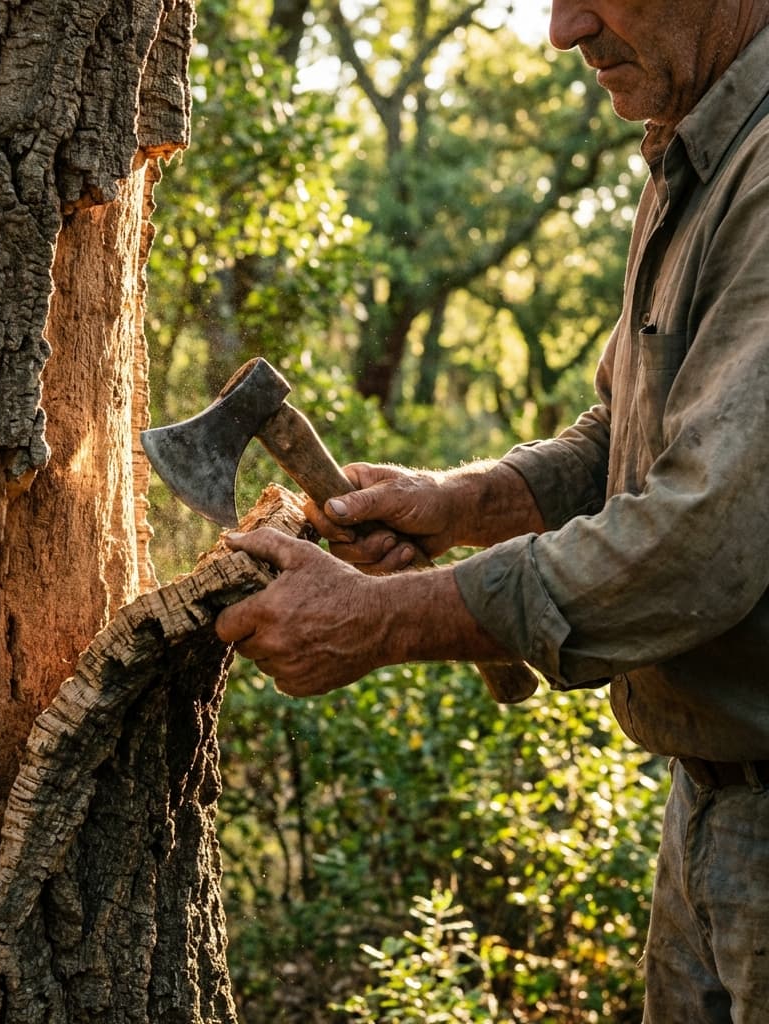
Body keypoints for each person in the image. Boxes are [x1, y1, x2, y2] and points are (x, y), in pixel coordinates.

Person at [214, 1, 769, 1020]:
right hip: (708, 803)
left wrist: (384, 620)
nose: (562, 28)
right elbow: (623, 438)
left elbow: (701, 544)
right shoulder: (695, 141)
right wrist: (458, 502)